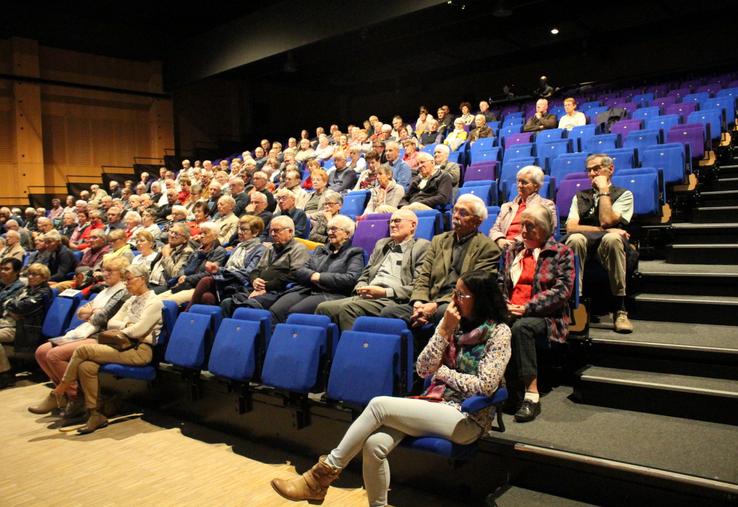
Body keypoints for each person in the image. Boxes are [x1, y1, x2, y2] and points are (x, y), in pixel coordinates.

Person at [272, 270, 511, 506]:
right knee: (374, 444)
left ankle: (319, 478)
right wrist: (444, 329)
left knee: (379, 405)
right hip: (436, 404)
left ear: (481, 299)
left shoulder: (499, 332)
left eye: (461, 295)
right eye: (454, 292)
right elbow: (424, 369)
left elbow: (485, 386)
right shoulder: (453, 326)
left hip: (468, 417)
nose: (453, 300)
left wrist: (444, 373)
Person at [52, 264, 163, 433]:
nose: (126, 284)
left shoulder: (154, 302)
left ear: (142, 280)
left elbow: (138, 331)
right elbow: (112, 322)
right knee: (86, 366)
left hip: (140, 350)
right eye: (125, 280)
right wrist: (127, 324)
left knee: (83, 350)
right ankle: (94, 414)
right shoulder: (131, 299)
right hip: (122, 345)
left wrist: (126, 328)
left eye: (129, 280)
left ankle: (60, 389)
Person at [498, 205, 574, 422]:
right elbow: (501, 283)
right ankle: (503, 391)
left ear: (544, 229)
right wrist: (505, 305)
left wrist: (527, 307)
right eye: (522, 224)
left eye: (529, 226)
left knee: (521, 328)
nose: (523, 230)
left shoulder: (561, 252)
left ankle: (531, 396)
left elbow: (562, 291)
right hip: (512, 310)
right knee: (486, 323)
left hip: (547, 316)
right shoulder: (513, 251)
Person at [30, 257, 130, 418]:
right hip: (86, 330)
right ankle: (62, 396)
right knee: (41, 352)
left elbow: (101, 319)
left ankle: (77, 398)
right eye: (104, 270)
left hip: (101, 336)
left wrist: (91, 311)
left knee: (54, 355)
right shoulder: (104, 290)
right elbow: (80, 312)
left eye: (110, 271)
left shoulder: (123, 292)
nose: (105, 274)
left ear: (122, 273)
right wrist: (93, 311)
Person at [382, 194, 500, 328]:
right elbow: (423, 276)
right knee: (388, 313)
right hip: (429, 300)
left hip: (459, 304)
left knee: (442, 313)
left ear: (477, 221)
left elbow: (474, 289)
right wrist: (419, 302)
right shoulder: (438, 241)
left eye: (463, 213)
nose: (455, 216)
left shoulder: (488, 248)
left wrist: (435, 306)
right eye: (455, 210)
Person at [316, 210, 429, 330]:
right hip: (369, 295)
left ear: (412, 225)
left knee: (349, 309)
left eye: (397, 221)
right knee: (323, 308)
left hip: (393, 298)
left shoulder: (422, 247)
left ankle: (357, 347)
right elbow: (366, 273)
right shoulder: (381, 244)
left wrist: (385, 292)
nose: (391, 225)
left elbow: (418, 286)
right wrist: (361, 288)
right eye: (390, 222)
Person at [565, 154, 634, 333]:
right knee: (575, 239)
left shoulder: (624, 194)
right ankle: (575, 304)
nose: (592, 174)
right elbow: (571, 228)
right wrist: (606, 230)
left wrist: (603, 191)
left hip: (610, 247)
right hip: (585, 243)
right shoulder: (580, 196)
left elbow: (606, 220)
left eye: (596, 169)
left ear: (610, 170)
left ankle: (620, 308)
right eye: (589, 170)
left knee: (612, 239)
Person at [269, 215, 364, 323]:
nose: (329, 233)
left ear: (347, 234)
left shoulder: (354, 253)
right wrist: (312, 275)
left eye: (334, 229)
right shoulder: (320, 250)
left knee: (296, 312)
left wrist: (320, 277)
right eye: (329, 229)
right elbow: (300, 270)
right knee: (277, 310)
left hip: (332, 293)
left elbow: (351, 278)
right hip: (307, 289)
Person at [221, 216, 310, 314]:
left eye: (276, 231)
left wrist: (266, 287)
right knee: (227, 303)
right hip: (257, 288)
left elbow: (295, 275)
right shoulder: (271, 248)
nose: (272, 234)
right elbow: (256, 270)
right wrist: (254, 280)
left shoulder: (299, 249)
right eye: (271, 231)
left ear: (290, 231)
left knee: (248, 307)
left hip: (278, 291)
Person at [187, 216, 266, 308]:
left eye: (244, 229)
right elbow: (227, 268)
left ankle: (186, 314)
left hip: (240, 283)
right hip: (227, 280)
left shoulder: (260, 250)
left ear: (255, 232)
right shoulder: (238, 247)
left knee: (206, 280)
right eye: (239, 229)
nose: (239, 232)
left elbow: (249, 273)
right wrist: (217, 269)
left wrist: (222, 271)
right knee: (207, 297)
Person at [0, 262, 52, 387]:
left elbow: (22, 307)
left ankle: (5, 374)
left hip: (23, 328)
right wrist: (12, 307)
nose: (30, 277)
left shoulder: (43, 292)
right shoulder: (26, 289)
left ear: (44, 277)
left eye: (35, 274)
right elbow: (3, 303)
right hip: (10, 323)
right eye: (29, 274)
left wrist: (11, 306)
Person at [489, 165, 557, 250]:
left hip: (528, 246)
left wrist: (516, 242)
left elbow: (548, 230)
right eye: (518, 182)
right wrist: (500, 239)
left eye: (524, 182)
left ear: (536, 186)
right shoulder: (506, 206)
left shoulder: (546, 205)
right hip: (503, 247)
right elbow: (495, 229)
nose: (520, 185)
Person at [157, 222, 226, 305]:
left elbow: (210, 273)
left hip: (197, 286)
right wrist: (182, 276)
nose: (202, 236)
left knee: (165, 303)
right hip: (184, 283)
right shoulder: (198, 250)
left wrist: (187, 278)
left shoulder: (219, 251)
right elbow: (185, 266)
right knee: (155, 300)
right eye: (200, 233)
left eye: (205, 233)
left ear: (215, 235)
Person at [0, 258, 27, 387]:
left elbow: (10, 309)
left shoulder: (20, 288)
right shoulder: (2, 284)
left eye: (7, 269)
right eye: (2, 268)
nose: (3, 271)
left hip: (13, 325)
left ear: (16, 272)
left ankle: (5, 374)